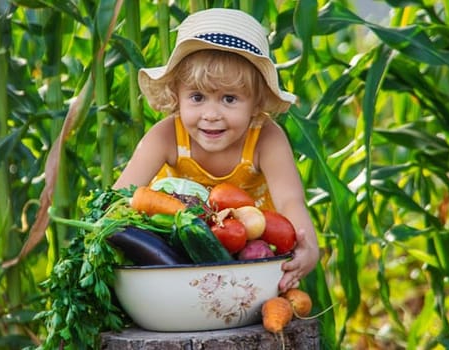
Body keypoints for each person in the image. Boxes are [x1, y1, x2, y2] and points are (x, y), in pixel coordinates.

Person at [114, 8, 318, 292]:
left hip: (249, 257)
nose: (211, 114)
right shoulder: (165, 137)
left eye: (229, 99)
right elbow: (121, 197)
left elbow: (290, 201)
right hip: (177, 257)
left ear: (256, 103)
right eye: (197, 97)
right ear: (177, 96)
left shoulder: (266, 139)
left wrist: (309, 247)